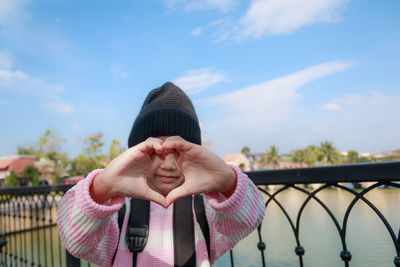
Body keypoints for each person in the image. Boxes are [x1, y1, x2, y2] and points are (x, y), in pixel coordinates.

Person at [57, 82, 265, 267]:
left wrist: (227, 182)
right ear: (134, 153)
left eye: (181, 151)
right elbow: (76, 240)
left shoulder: (206, 209)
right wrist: (101, 188)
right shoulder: (115, 210)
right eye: (154, 151)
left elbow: (248, 218)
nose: (169, 164)